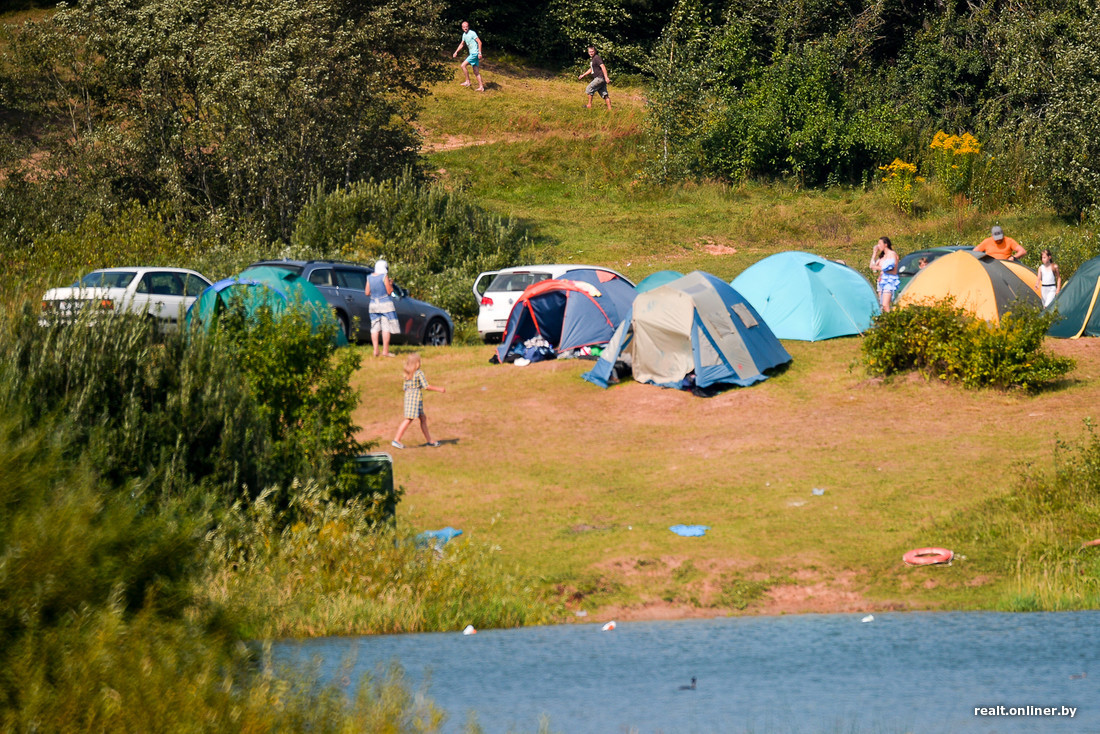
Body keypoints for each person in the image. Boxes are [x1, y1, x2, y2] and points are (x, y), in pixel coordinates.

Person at [392, 353, 445, 449]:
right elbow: (426, 386)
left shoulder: (407, 374)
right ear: (416, 363)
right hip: (415, 399)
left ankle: (429, 441)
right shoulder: (419, 373)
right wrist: (439, 389)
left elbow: (404, 388)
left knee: (423, 418)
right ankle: (396, 440)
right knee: (409, 419)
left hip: (409, 398)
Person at [367, 259, 398, 357]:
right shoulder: (384, 276)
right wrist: (391, 284)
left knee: (375, 327)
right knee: (386, 327)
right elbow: (389, 291)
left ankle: (375, 351)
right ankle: (385, 351)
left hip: (373, 304)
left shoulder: (369, 277)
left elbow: (367, 292)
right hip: (385, 304)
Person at [869, 236, 900, 312]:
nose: (878, 246)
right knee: (882, 305)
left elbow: (890, 268)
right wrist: (874, 254)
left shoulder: (892, 254)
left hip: (889, 280)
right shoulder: (882, 256)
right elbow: (871, 266)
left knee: (886, 305)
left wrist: (878, 268)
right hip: (881, 281)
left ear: (885, 244)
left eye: (880, 244)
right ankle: (885, 319)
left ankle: (891, 320)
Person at [451, 21, 484, 92]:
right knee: (476, 71)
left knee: (463, 65)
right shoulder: (464, 35)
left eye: (466, 26)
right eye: (463, 27)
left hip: (474, 53)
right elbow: (462, 44)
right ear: (462, 28)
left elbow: (479, 42)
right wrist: (456, 52)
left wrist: (480, 53)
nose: (465, 28)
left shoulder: (472, 33)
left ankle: (467, 82)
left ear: (468, 27)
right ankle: (481, 87)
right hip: (472, 53)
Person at [578, 45, 611, 110]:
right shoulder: (593, 59)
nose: (591, 53)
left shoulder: (597, 58)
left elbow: (603, 67)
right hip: (601, 79)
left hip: (599, 78)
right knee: (604, 94)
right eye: (589, 52)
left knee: (589, 88)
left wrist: (606, 77)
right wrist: (583, 75)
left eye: (592, 51)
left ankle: (589, 105)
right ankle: (610, 110)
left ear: (595, 51)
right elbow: (591, 69)